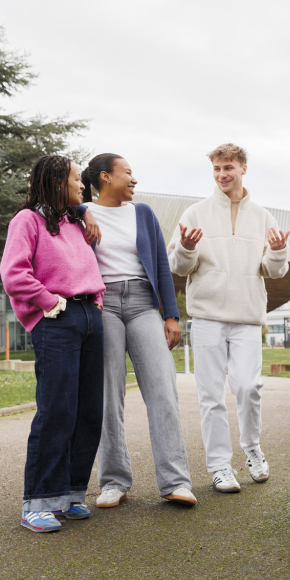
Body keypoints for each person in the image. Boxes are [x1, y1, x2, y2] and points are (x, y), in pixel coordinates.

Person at [166, 143, 290, 493]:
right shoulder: (195, 213)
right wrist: (187, 247)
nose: (222, 174)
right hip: (207, 317)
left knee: (248, 387)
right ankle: (220, 466)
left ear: (243, 168)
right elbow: (178, 266)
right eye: (217, 169)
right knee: (211, 396)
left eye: (228, 168)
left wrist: (278, 251)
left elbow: (274, 271)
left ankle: (252, 447)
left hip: (247, 316)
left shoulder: (263, 217)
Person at [79, 153, 196, 509]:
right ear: (105, 177)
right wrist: (81, 210)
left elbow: (161, 263)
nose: (134, 180)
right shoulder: (79, 213)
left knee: (163, 388)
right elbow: (40, 207)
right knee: (107, 394)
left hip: (144, 303)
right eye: (127, 173)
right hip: (103, 305)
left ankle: (175, 481)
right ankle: (113, 482)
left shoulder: (142, 213)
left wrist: (171, 315)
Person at [0, 155, 106, 533]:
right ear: (58, 182)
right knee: (57, 409)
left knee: (89, 411)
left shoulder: (76, 221)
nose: (83, 185)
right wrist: (48, 301)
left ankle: (71, 494)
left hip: (90, 317)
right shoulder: (27, 220)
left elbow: (89, 265)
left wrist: (97, 302)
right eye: (77, 179)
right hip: (57, 318)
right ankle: (39, 501)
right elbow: (13, 274)